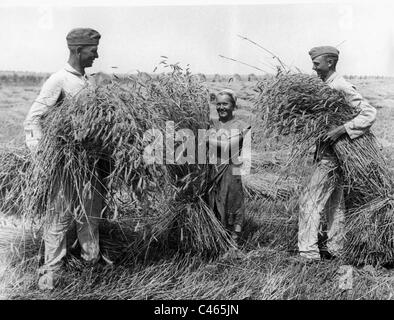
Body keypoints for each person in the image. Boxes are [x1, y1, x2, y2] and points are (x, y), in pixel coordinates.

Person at [23, 28, 105, 290]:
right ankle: (52, 272)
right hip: (65, 165)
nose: (97, 55)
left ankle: (91, 267)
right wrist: (43, 155)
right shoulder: (58, 80)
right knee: (59, 218)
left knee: (90, 217)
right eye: (92, 51)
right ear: (78, 51)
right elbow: (32, 120)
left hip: (90, 165)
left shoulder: (88, 82)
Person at [297, 46, 377, 262]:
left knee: (309, 201)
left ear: (330, 62)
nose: (314, 68)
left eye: (317, 64)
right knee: (335, 204)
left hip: (333, 158)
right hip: (333, 155)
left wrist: (341, 130)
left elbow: (369, 113)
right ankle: (336, 248)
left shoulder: (340, 85)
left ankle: (308, 253)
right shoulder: (326, 86)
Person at [208, 89, 251, 243]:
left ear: (233, 106)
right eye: (218, 104)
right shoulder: (212, 123)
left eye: (225, 104)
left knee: (233, 201)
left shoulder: (241, 125)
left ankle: (234, 242)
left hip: (231, 169)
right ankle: (218, 236)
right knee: (214, 201)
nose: (221, 107)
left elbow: (228, 146)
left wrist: (205, 139)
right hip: (213, 169)